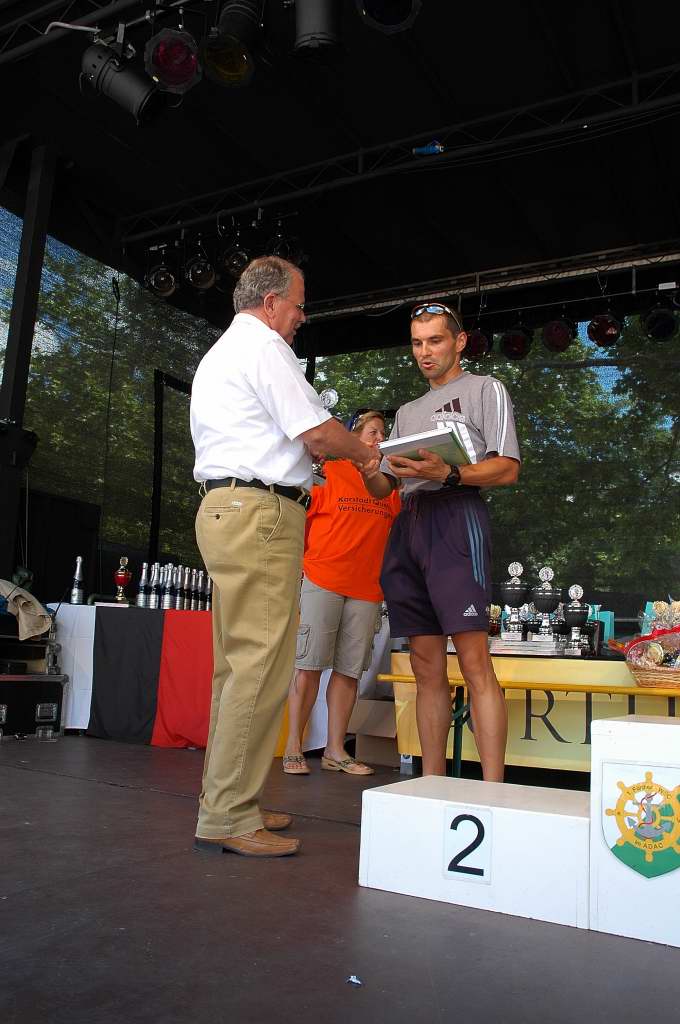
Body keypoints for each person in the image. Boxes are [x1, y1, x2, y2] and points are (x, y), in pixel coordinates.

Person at [190, 256, 379, 859]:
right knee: (261, 668)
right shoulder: (266, 347)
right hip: (261, 513)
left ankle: (229, 801)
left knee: (235, 668)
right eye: (298, 305)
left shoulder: (221, 353)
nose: (302, 317)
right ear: (270, 303)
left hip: (225, 509)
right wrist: (368, 456)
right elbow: (317, 432)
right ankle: (229, 815)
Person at [361, 302, 521, 780]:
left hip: (456, 516)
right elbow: (385, 487)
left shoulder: (485, 389)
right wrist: (368, 467)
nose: (424, 352)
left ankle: (493, 791)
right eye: (417, 343)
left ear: (459, 341)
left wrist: (449, 472)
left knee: (474, 661)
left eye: (435, 340)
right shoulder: (407, 412)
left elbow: (507, 468)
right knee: (425, 665)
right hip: (409, 524)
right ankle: (432, 783)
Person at [283, 410, 401, 777]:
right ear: (352, 436)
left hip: (367, 589)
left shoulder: (390, 487)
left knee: (349, 672)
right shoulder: (329, 473)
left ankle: (335, 749)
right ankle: (293, 746)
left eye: (383, 433)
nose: (379, 439)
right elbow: (299, 525)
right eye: (372, 432)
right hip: (323, 580)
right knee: (308, 666)